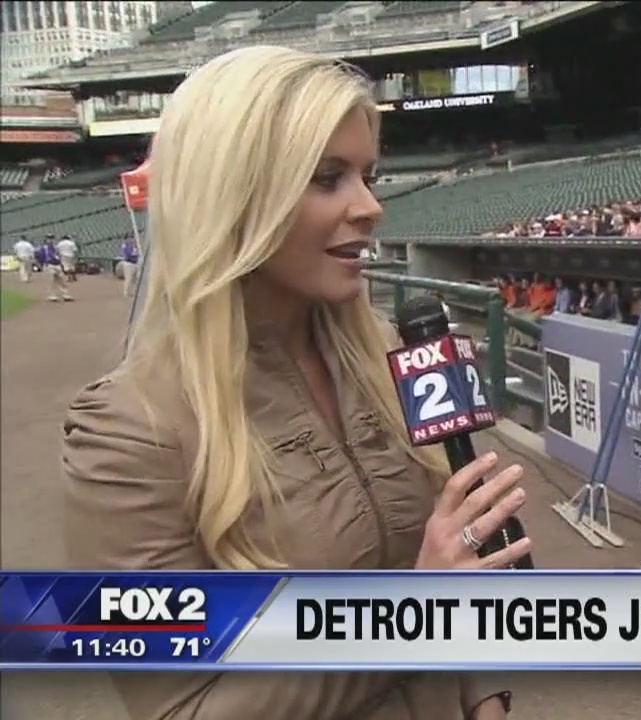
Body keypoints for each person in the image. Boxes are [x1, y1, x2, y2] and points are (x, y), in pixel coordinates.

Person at [61, 46, 527, 720]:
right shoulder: (129, 433)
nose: (370, 206)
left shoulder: (396, 353)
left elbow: (469, 571)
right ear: (233, 196)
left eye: (369, 176)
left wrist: (488, 695)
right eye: (327, 177)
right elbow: (182, 709)